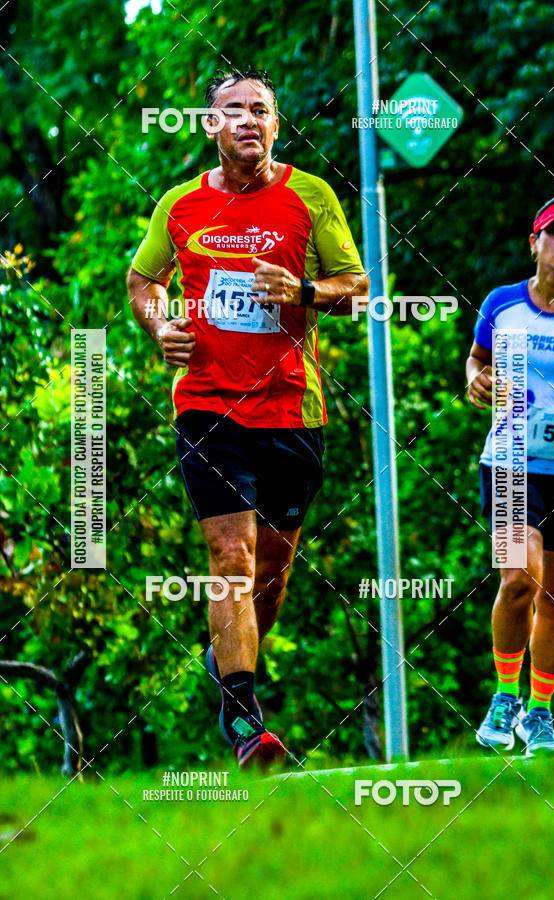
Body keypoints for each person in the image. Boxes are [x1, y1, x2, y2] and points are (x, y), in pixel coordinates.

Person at [127, 67, 368, 766]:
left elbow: (356, 289)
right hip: (208, 409)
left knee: (272, 576)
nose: (247, 121)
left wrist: (305, 289)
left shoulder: (309, 197)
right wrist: (159, 322)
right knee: (230, 557)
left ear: (276, 123)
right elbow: (143, 281)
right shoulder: (179, 205)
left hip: (293, 409)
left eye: (260, 110)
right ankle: (243, 718)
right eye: (233, 111)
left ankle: (226, 659)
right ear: (210, 125)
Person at [466, 195, 554, 756]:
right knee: (519, 577)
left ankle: (539, 713)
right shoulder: (503, 304)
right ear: (534, 243)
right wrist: (475, 379)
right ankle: (504, 697)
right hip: (512, 463)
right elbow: (478, 358)